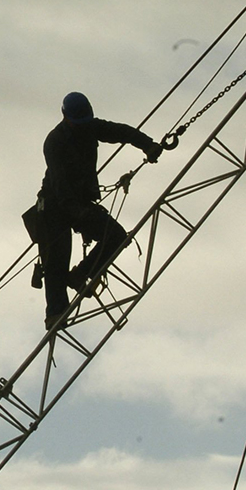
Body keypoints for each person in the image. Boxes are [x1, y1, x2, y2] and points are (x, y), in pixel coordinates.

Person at [33, 92, 162, 329]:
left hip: (79, 202)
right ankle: (56, 312)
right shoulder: (55, 142)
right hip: (54, 204)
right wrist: (78, 213)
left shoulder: (90, 127)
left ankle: (81, 274)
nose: (82, 127)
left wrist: (148, 145)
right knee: (56, 259)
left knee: (115, 236)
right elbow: (60, 185)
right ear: (66, 117)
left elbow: (121, 132)